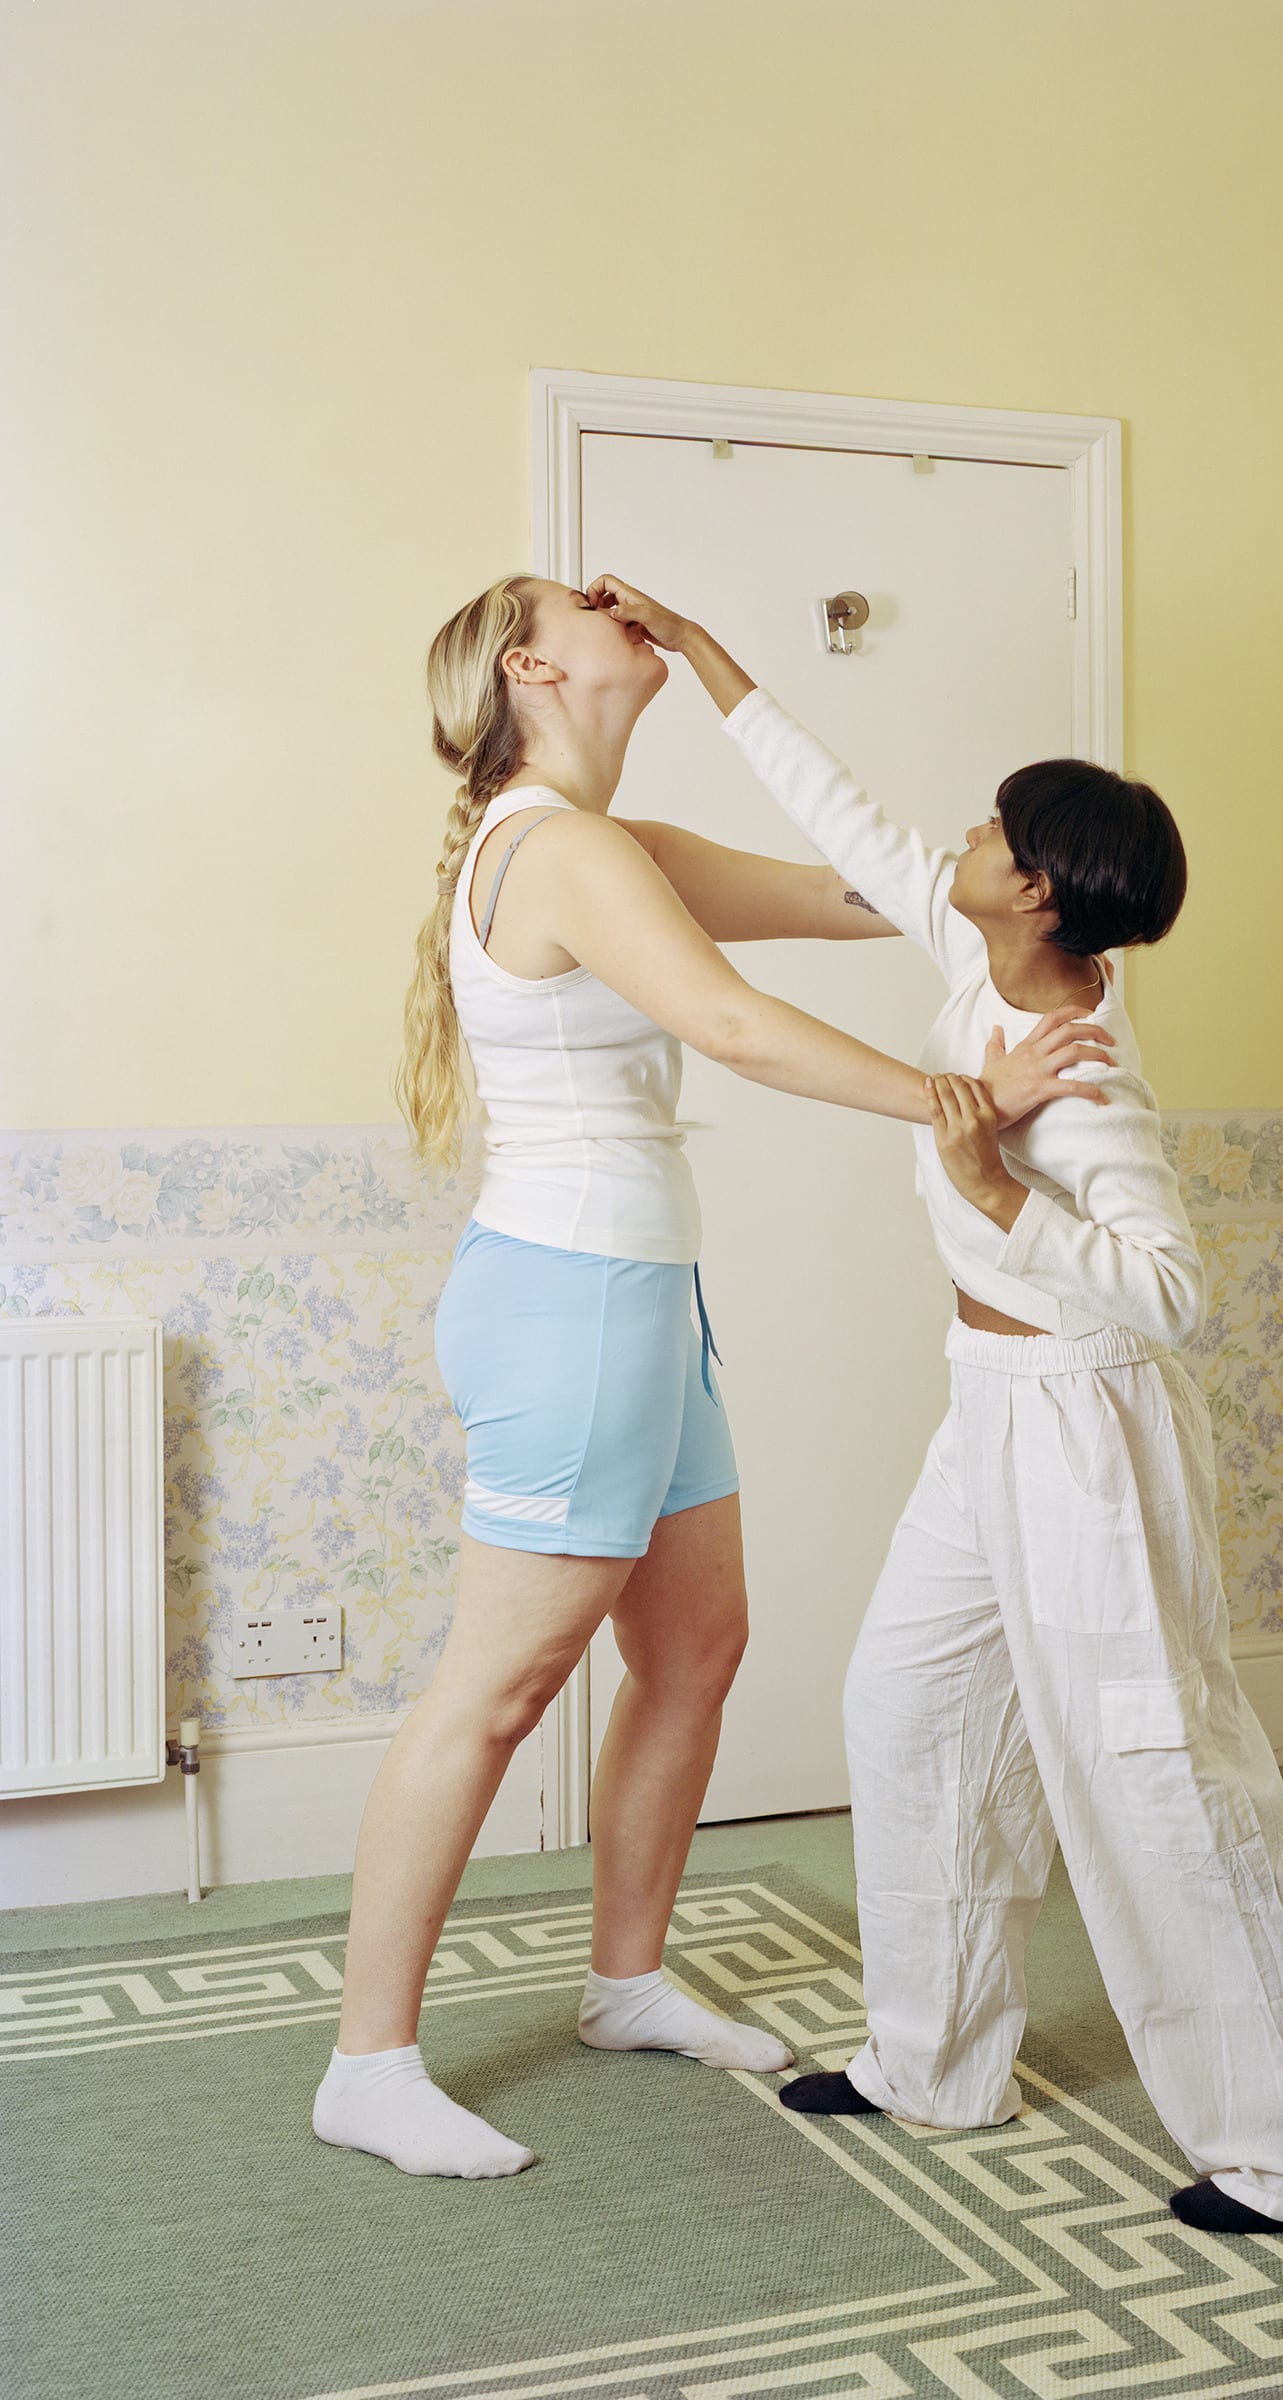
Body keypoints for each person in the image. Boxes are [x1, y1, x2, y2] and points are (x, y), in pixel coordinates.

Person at [585, 576, 1283, 2234]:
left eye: (988, 827)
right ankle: (933, 2057)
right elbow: (847, 808)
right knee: (908, 1702)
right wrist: (706, 656)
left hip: (1090, 1425)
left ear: (1035, 891)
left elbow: (1173, 1296)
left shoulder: (1084, 1072)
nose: (952, 834)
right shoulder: (980, 951)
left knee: (1160, 1773)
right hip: (991, 1403)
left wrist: (993, 1183)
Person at [312, 575, 1111, 2180]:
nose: (625, 610)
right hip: (571, 1305)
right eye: (582, 603)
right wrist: (966, 1098)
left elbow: (851, 899)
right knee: (500, 1690)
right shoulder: (560, 849)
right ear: (534, 665)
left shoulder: (613, 842)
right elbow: (736, 1028)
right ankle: (368, 2062)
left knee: (693, 1649)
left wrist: (1006, 879)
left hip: (640, 1301)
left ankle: (625, 1983)